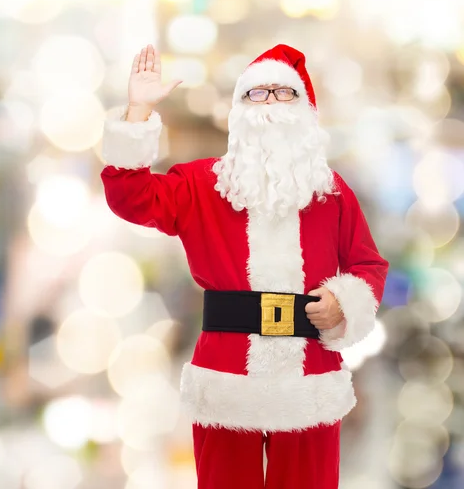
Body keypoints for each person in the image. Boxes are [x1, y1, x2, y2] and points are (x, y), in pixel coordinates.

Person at [100, 43, 389, 489]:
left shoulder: (332, 193)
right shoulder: (201, 185)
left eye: (283, 93)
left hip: (308, 377)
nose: (271, 103)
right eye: (258, 94)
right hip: (226, 377)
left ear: (305, 110)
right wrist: (138, 110)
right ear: (238, 109)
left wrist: (344, 304)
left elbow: (367, 263)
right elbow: (131, 197)